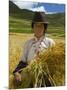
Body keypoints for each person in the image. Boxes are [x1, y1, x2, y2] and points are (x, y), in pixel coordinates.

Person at [13, 12, 55, 87]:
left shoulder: (50, 43)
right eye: (36, 26)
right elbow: (23, 61)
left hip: (45, 80)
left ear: (45, 28)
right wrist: (16, 72)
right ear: (33, 27)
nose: (38, 28)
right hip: (29, 78)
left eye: (41, 26)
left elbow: (55, 63)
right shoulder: (28, 43)